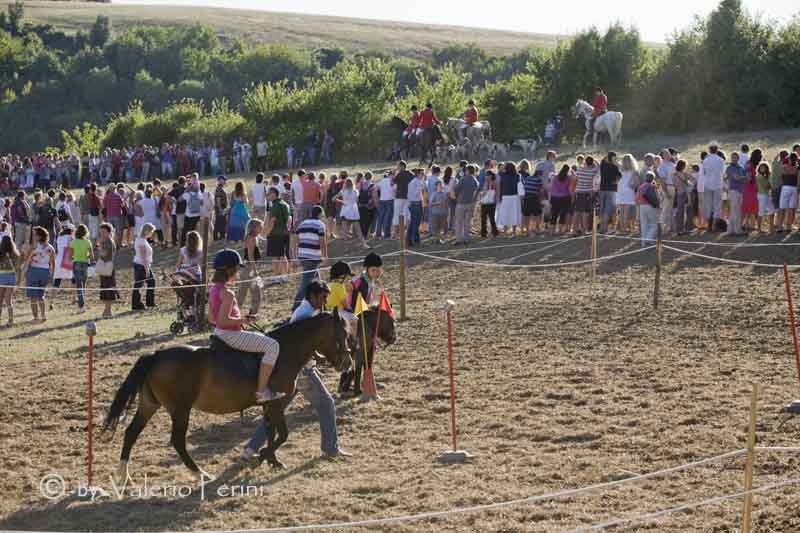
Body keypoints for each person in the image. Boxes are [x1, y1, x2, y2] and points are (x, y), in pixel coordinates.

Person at [242, 279, 350, 460]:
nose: (325, 303)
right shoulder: (304, 315)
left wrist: (318, 357)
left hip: (299, 369)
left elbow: (310, 344)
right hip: (301, 371)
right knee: (326, 405)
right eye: (323, 298)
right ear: (313, 296)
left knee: (276, 411)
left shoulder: (312, 311)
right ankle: (330, 450)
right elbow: (298, 346)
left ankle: (251, 449)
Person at [209, 249, 283, 405]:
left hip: (219, 333)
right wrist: (243, 320)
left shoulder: (213, 289)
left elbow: (212, 318)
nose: (237, 274)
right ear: (230, 270)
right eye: (236, 270)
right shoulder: (227, 293)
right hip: (230, 336)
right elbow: (223, 321)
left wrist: (240, 320)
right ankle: (262, 392)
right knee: (273, 346)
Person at [293, 205, 327, 311]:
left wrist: (296, 255)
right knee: (305, 283)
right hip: (313, 257)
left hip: (303, 255)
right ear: (319, 214)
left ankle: (322, 304)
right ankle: (296, 306)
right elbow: (322, 241)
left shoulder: (303, 223)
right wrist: (325, 255)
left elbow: (296, 239)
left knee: (318, 281)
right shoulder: (320, 225)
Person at [23, 226, 55, 323]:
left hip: (34, 271)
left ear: (39, 236)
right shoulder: (51, 248)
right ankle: (43, 315)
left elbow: (27, 261)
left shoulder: (34, 247)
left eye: (35, 235)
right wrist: (51, 275)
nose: (33, 236)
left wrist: (24, 272)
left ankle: (36, 317)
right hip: (45, 272)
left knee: (33, 296)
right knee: (41, 295)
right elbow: (53, 264)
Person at [238, 219, 263, 316]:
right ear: (254, 227)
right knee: (255, 292)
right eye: (260, 226)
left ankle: (239, 312)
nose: (261, 228)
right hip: (249, 269)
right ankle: (252, 313)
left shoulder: (252, 237)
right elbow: (250, 255)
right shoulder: (251, 238)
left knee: (242, 293)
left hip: (246, 268)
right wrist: (255, 269)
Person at [336, 178, 369, 248]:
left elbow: (333, 199)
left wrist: (342, 201)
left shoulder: (342, 191)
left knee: (345, 231)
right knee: (358, 229)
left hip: (345, 211)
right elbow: (356, 201)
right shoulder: (356, 191)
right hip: (353, 211)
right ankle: (364, 244)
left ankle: (346, 247)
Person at [69, 224, 94, 314]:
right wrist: (86, 256)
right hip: (85, 263)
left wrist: (75, 257)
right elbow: (91, 255)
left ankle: (81, 306)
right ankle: (83, 304)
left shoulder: (73, 242)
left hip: (76, 263)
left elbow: (69, 256)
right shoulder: (88, 242)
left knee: (79, 286)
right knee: (83, 285)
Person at [453, 164, 480, 245]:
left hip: (461, 203)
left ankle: (459, 239)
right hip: (470, 202)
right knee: (467, 222)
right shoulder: (475, 180)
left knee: (459, 222)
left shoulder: (463, 179)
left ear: (468, 171)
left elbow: (456, 188)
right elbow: (476, 190)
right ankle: (466, 238)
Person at [701, 143, 725, 232]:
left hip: (707, 184)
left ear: (709, 150)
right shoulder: (721, 160)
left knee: (708, 205)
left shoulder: (705, 160)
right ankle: (714, 225)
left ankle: (708, 226)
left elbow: (703, 172)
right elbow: (723, 173)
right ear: (717, 150)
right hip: (718, 184)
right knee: (717, 205)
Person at [132, 223, 156, 311]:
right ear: (147, 231)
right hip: (142, 265)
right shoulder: (142, 241)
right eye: (151, 232)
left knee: (149, 282)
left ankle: (149, 302)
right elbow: (144, 257)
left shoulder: (140, 239)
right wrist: (147, 270)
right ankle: (137, 304)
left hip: (140, 265)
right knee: (140, 284)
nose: (151, 234)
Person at [97, 222, 118, 318]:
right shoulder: (106, 241)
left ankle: (108, 311)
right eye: (101, 232)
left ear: (109, 232)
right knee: (105, 289)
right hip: (105, 268)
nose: (102, 234)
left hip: (108, 268)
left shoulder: (108, 241)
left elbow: (103, 254)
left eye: (104, 232)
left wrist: (99, 246)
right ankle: (106, 310)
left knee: (108, 289)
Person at [496, 162, 523, 235]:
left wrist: (499, 197)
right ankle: (514, 231)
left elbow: (499, 185)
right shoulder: (518, 175)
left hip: (505, 197)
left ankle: (505, 230)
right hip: (515, 197)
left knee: (505, 213)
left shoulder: (502, 175)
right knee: (514, 213)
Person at [574, 156, 598, 234]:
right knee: (585, 212)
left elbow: (575, 179)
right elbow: (599, 167)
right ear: (592, 163)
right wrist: (595, 161)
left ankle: (575, 230)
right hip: (587, 193)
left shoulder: (579, 169)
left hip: (578, 192)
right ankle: (584, 230)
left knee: (577, 211)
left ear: (585, 162)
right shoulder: (592, 171)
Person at [616, 155, 640, 235]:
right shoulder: (634, 172)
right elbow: (637, 184)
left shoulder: (619, 170)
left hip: (620, 192)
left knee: (621, 212)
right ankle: (624, 228)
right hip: (628, 192)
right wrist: (632, 186)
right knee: (626, 212)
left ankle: (622, 228)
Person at [726, 152, 748, 236]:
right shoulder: (729, 168)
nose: (734, 159)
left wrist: (743, 178)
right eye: (732, 157)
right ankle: (737, 230)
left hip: (740, 191)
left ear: (738, 158)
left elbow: (745, 180)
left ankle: (730, 230)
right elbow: (737, 177)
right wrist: (744, 177)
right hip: (734, 191)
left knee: (736, 211)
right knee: (735, 211)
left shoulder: (741, 167)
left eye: (735, 157)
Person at [598, 152, 621, 233]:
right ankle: (604, 228)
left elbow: (603, 159)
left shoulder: (603, 163)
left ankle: (602, 227)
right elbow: (620, 175)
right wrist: (616, 181)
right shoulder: (614, 166)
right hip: (611, 189)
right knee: (608, 209)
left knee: (602, 209)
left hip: (602, 189)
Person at [0, 235, 20, 326]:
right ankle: (11, 320)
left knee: (0, 300)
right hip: (11, 277)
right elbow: (18, 269)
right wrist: (18, 281)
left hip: (2, 276)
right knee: (8, 300)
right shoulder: (15, 254)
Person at [520, 160, 544, 235]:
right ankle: (537, 229)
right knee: (537, 214)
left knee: (527, 215)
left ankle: (527, 231)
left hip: (526, 197)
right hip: (534, 198)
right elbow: (541, 190)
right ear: (540, 174)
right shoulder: (539, 179)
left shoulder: (528, 177)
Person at [392, 161, 415, 238]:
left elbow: (392, 182)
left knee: (396, 215)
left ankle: (395, 233)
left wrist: (394, 173)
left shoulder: (399, 174)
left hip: (399, 197)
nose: (397, 167)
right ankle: (407, 233)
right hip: (408, 197)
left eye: (398, 166)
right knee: (407, 215)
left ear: (402, 166)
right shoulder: (411, 174)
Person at [637, 172, 660, 247]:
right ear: (653, 179)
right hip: (650, 206)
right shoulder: (653, 186)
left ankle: (643, 243)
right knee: (654, 224)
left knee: (644, 224)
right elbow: (657, 197)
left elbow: (637, 198)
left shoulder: (640, 186)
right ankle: (649, 239)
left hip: (641, 206)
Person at [550, 165, 574, 235]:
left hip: (554, 197)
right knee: (562, 214)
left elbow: (551, 187)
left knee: (554, 214)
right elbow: (570, 189)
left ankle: (552, 231)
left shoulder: (555, 177)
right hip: (565, 198)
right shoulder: (568, 178)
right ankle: (560, 230)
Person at [779, 153, 799, 233]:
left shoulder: (784, 167)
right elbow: (798, 179)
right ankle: (788, 226)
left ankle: (780, 226)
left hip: (785, 187)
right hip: (794, 188)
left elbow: (782, 175)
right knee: (791, 208)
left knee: (782, 208)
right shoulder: (797, 168)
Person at [406, 169, 425, 247]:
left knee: (416, 222)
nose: (423, 175)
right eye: (422, 174)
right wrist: (420, 188)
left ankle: (416, 239)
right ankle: (411, 240)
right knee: (415, 223)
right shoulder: (414, 182)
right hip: (415, 204)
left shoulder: (418, 181)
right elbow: (413, 194)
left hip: (417, 203)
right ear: (418, 174)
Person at [755, 162, 775, 234]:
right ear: (759, 169)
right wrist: (770, 180)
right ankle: (759, 229)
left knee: (772, 210)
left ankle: (771, 228)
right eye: (761, 168)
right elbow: (767, 187)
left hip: (765, 195)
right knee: (761, 212)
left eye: (764, 168)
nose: (762, 169)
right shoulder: (760, 177)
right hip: (762, 196)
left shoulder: (764, 176)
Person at [479, 170, 499, 239]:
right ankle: (483, 233)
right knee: (483, 219)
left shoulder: (495, 182)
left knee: (491, 218)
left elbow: (497, 192)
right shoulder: (485, 183)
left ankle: (495, 232)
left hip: (491, 203)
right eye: (486, 175)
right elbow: (483, 192)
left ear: (491, 176)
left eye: (487, 175)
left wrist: (496, 200)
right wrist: (481, 198)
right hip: (484, 203)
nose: (486, 177)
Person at [376, 171, 395, 240]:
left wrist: (377, 198)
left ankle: (378, 234)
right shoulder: (392, 181)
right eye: (394, 175)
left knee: (380, 218)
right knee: (388, 218)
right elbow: (395, 190)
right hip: (390, 200)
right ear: (391, 175)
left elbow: (375, 188)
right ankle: (387, 235)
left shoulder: (382, 180)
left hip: (382, 200)